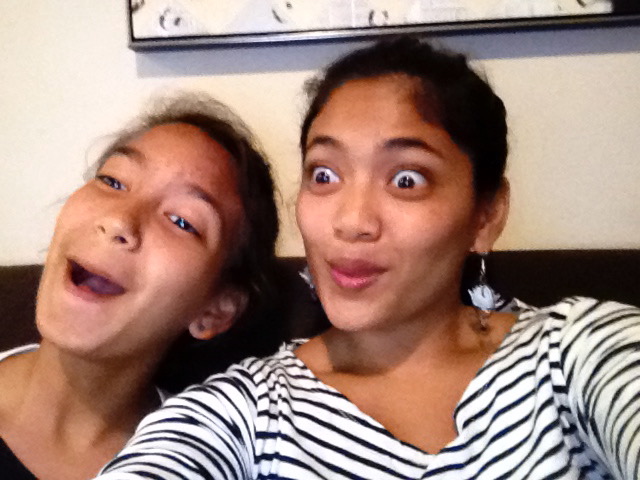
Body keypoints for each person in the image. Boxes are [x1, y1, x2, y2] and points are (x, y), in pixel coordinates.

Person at [95, 37, 640, 479]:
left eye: (407, 180)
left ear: (486, 215)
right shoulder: (247, 413)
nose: (351, 221)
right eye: (324, 174)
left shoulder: (576, 353)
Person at [0, 93, 279, 480]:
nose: (119, 221)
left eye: (182, 221)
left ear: (215, 310)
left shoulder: (194, 463)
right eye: (112, 181)